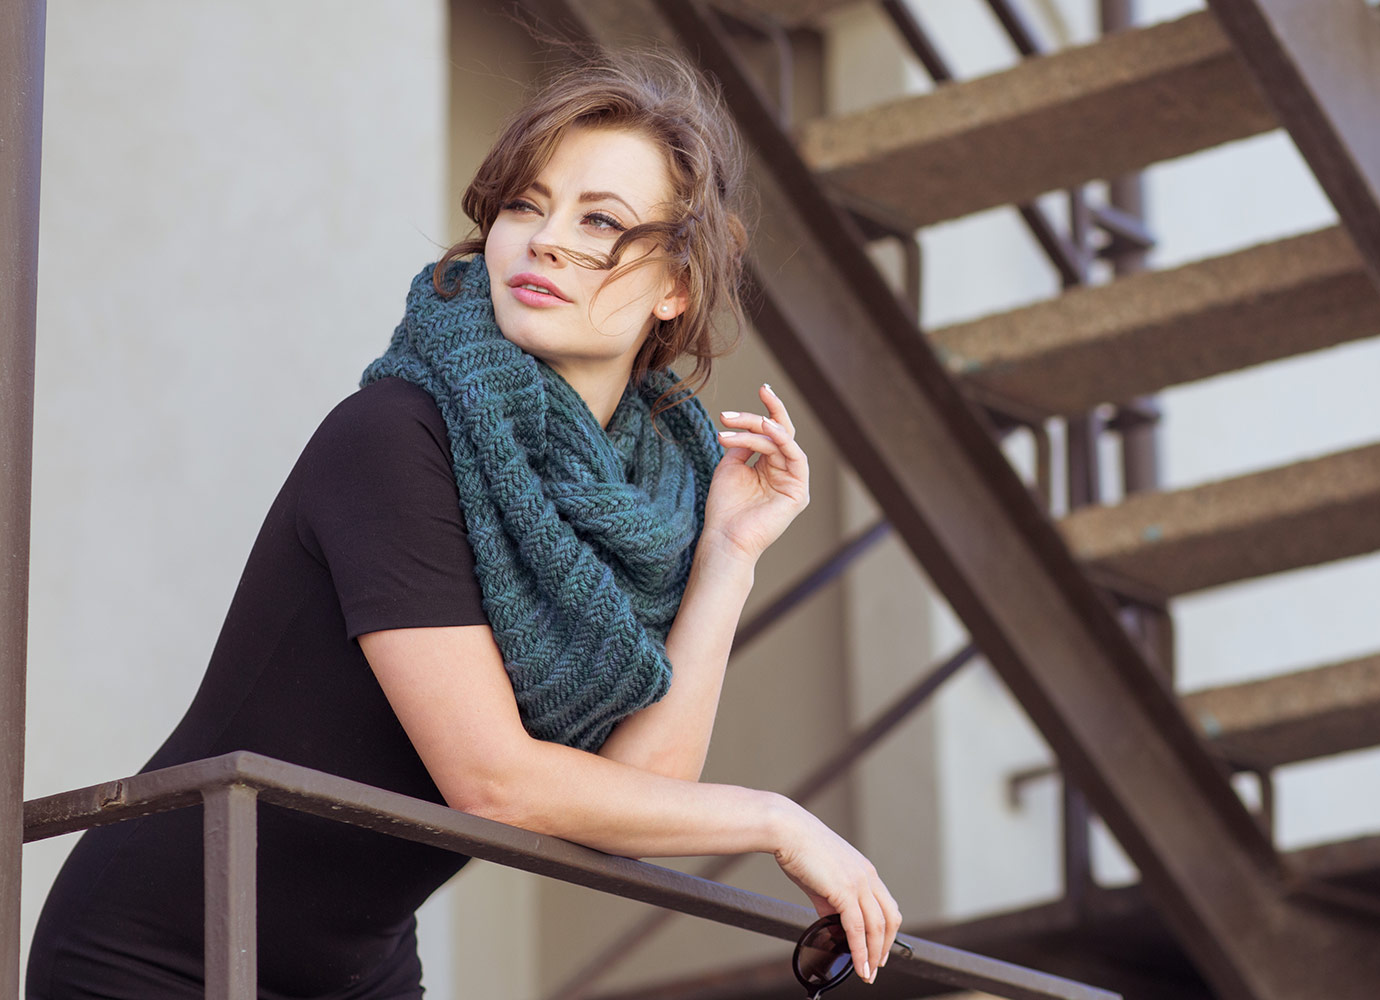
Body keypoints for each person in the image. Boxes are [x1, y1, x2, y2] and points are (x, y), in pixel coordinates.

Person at [27, 52, 901, 1000]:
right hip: (164, 952)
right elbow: (494, 781)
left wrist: (729, 553)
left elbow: (644, 785)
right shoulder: (396, 434)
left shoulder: (651, 503)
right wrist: (777, 819)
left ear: (677, 285)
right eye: (526, 206)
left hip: (356, 970)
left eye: (600, 220)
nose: (546, 240)